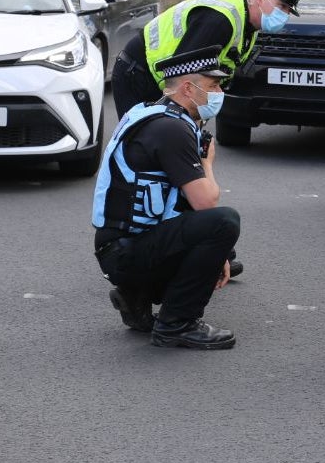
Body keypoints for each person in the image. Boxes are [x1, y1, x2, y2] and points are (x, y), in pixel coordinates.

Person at [91, 45, 240, 349]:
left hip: (119, 247)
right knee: (224, 222)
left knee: (216, 240)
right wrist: (208, 162)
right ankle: (177, 324)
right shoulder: (171, 129)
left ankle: (137, 296)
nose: (219, 92)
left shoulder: (149, 112)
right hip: (126, 253)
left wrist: (219, 257)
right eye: (213, 85)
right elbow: (205, 202)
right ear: (189, 87)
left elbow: (176, 203)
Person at [110, 0, 309, 120]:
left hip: (157, 79)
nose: (285, 15)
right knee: (136, 145)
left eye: (289, 10)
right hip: (138, 75)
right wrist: (184, 120)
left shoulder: (249, 27)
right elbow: (182, 76)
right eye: (282, 6)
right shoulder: (221, 20)